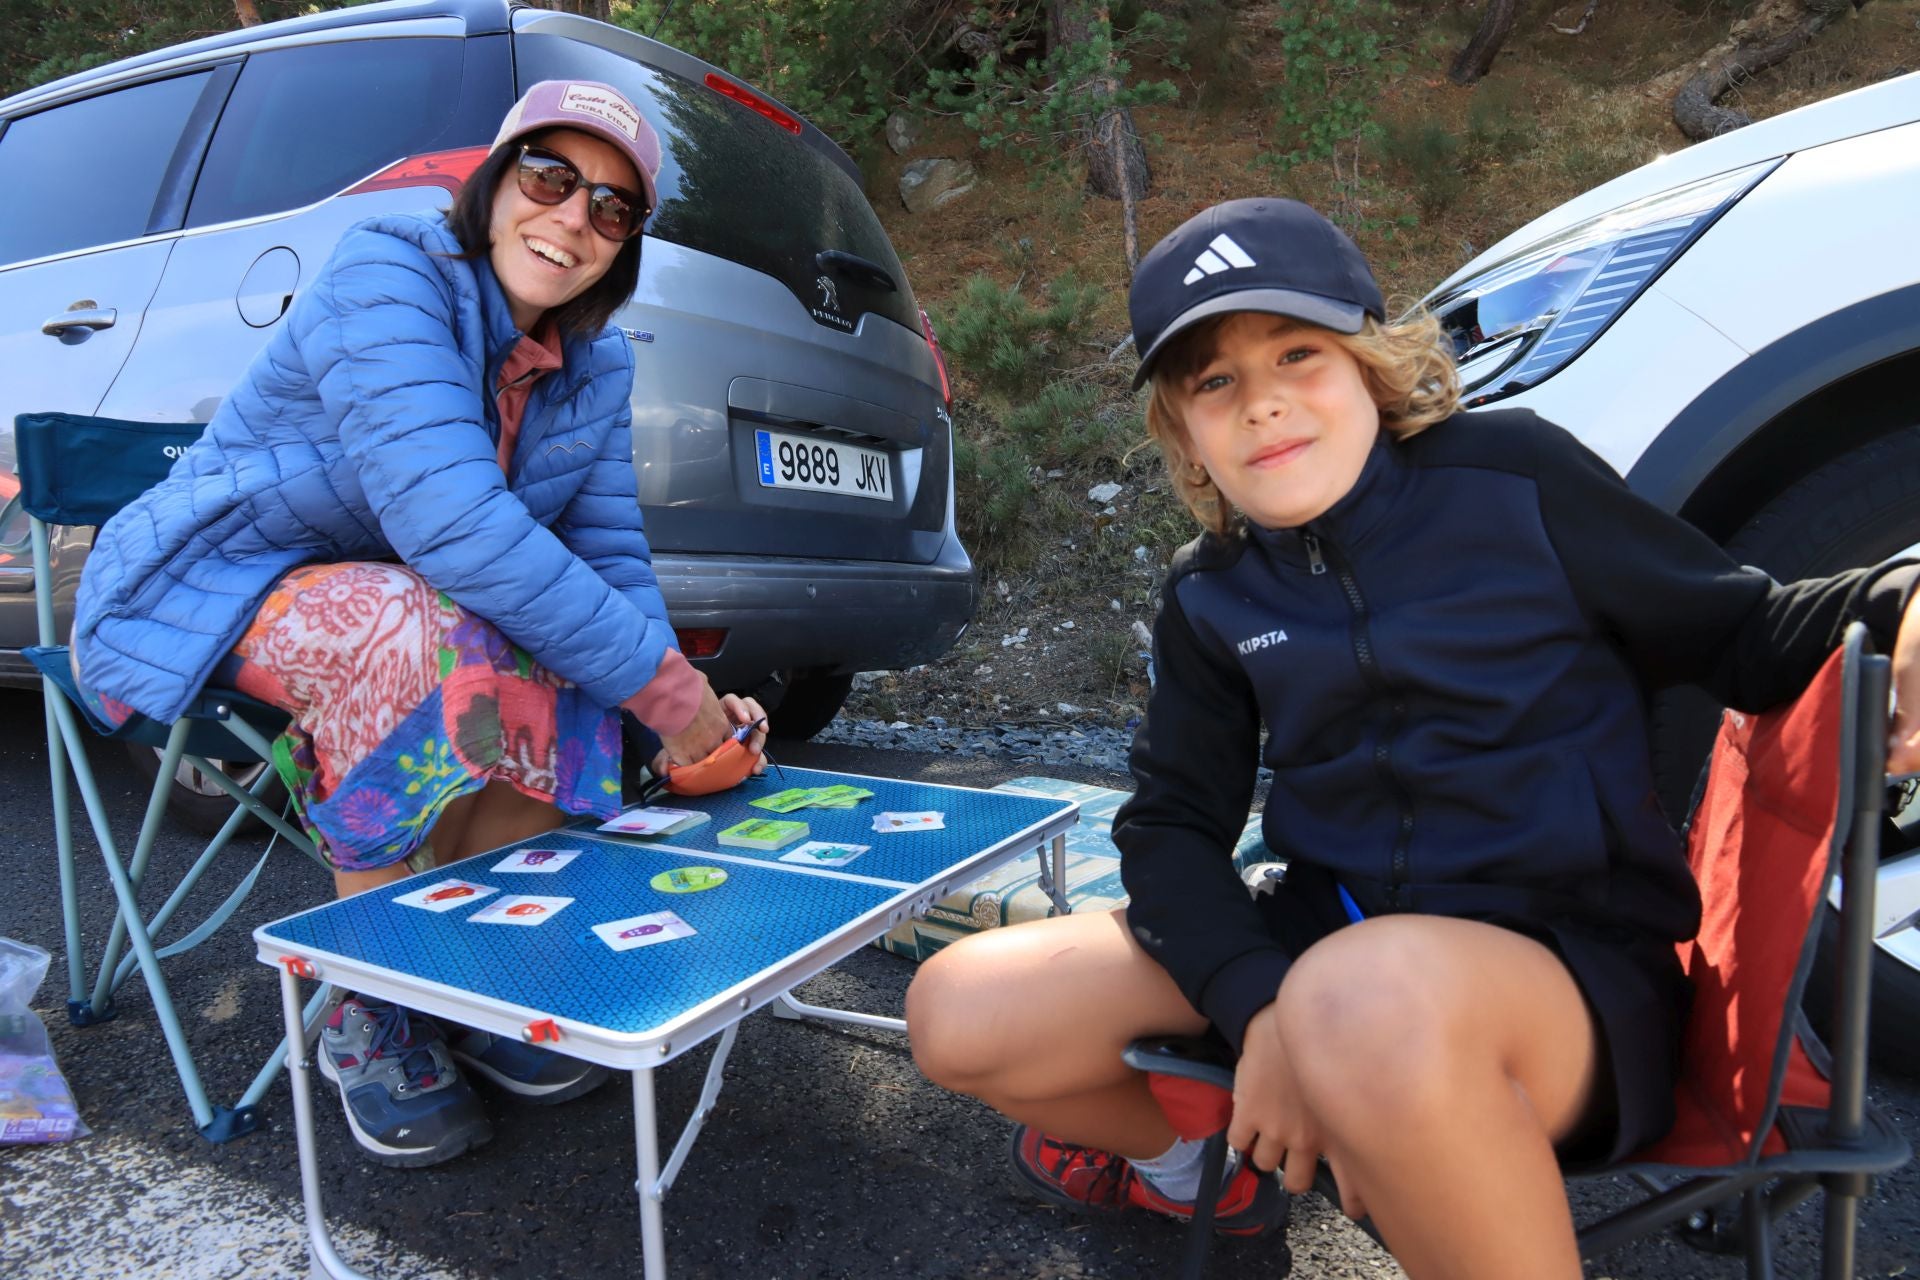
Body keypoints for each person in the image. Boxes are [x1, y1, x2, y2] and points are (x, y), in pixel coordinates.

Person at [904, 197, 1920, 1277]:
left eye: (1299, 353)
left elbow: (1748, 630)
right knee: (962, 1007)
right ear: (1183, 427)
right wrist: (1259, 1008)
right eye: (1214, 380)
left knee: (1357, 995)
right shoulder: (1215, 596)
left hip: (1568, 971)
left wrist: (1905, 599)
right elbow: (1166, 829)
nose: (1263, 404)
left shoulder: (1515, 482)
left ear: (1371, 364)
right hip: (1332, 943)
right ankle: (1205, 1171)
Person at [70, 80, 768, 1168]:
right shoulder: (389, 268)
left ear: (625, 242)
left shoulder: (597, 362)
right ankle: (374, 995)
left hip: (416, 600)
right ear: (493, 185)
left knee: (556, 634)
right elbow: (450, 519)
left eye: (612, 207)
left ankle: (481, 966)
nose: (573, 217)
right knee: (417, 619)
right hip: (219, 579)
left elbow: (607, 558)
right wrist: (666, 700)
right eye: (549, 176)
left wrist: (691, 708)